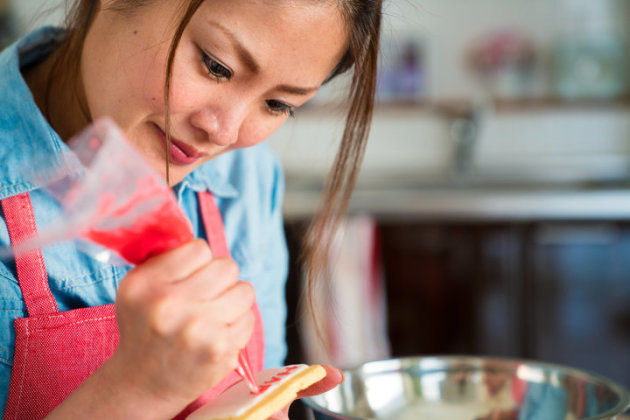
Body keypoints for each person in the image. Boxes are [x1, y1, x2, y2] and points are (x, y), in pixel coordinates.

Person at [0, 0, 382, 418]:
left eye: (278, 104)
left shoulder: (244, 176)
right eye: (216, 66)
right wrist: (135, 392)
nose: (224, 132)